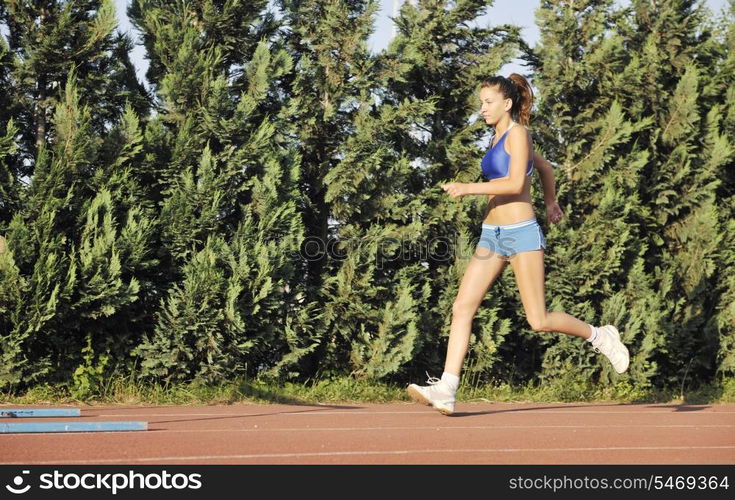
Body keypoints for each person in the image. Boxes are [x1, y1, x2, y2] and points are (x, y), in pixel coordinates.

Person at [406, 74, 629, 416]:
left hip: (521, 233)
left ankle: (599, 336)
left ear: (506, 103)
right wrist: (551, 201)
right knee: (462, 307)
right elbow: (543, 167)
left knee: (537, 319)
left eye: (488, 102)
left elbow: (512, 183)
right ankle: (448, 388)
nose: (482, 108)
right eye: (481, 102)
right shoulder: (497, 137)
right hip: (491, 236)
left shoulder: (519, 134)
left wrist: (469, 188)